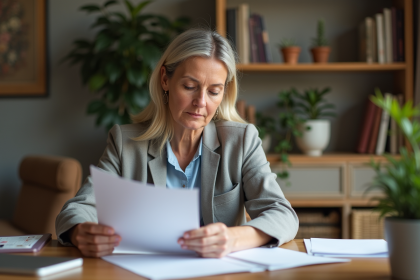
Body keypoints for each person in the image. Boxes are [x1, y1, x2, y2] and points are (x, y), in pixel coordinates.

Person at [55, 28, 298, 258]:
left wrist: (233, 238)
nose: (201, 102)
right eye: (190, 87)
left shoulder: (242, 141)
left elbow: (283, 215)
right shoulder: (124, 143)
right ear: (165, 80)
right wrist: (81, 232)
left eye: (214, 91)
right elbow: (76, 210)